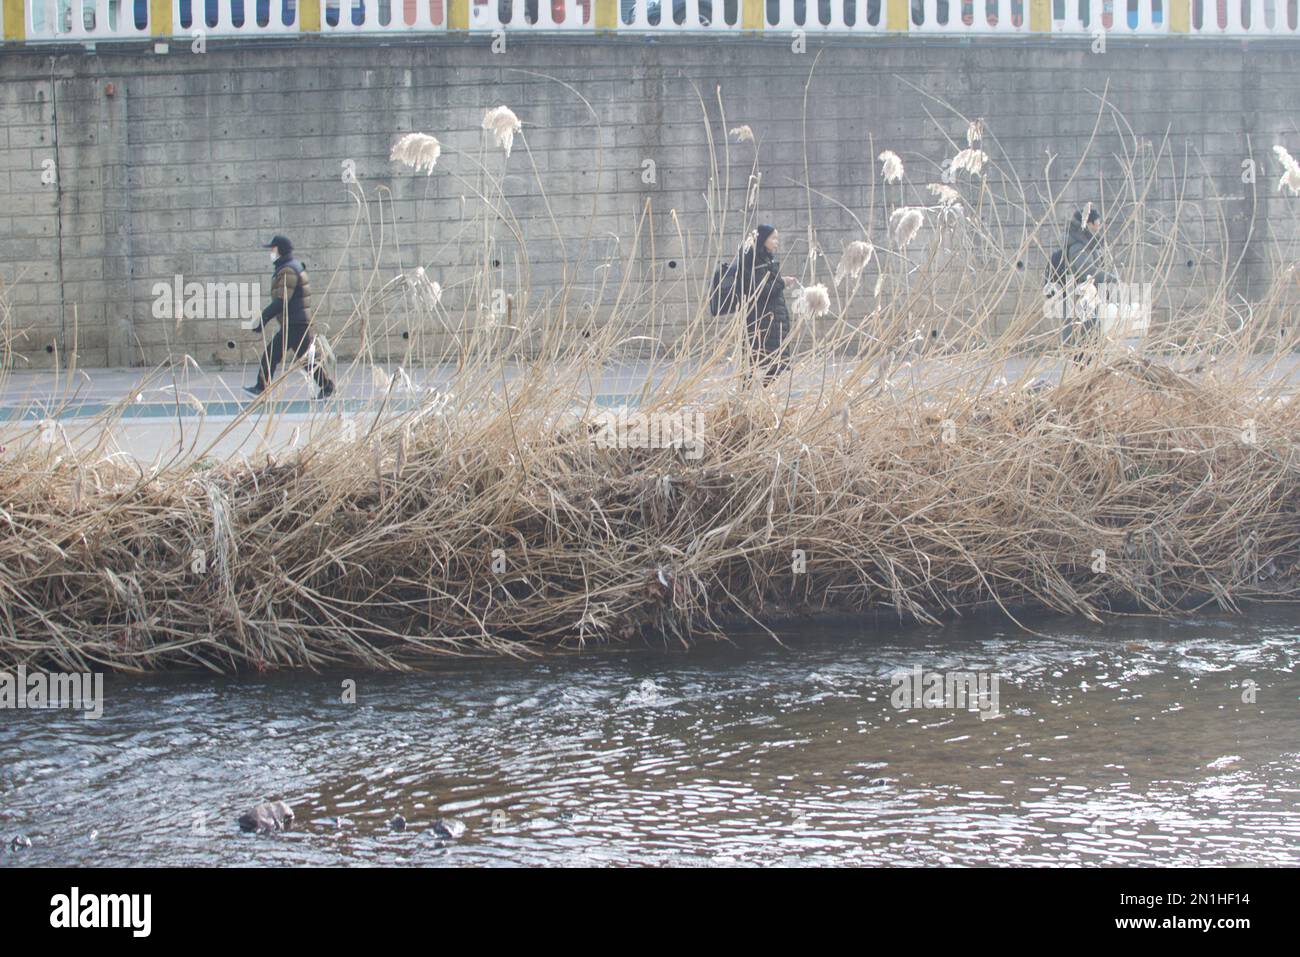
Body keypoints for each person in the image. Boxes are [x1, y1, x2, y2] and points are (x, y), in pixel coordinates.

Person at [244, 235, 335, 399]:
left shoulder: (287, 270)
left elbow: (281, 300)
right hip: (298, 322)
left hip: (295, 323)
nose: (271, 252)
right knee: (307, 359)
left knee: (271, 354)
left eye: (273, 249)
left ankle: (261, 388)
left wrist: (262, 319)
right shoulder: (291, 267)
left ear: (280, 250)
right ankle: (327, 387)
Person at [735, 224, 796, 385]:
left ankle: (759, 395)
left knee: (773, 363)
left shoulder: (766, 258)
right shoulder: (755, 261)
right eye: (774, 238)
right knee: (757, 362)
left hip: (772, 320)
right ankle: (750, 396)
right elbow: (762, 290)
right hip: (762, 321)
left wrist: (782, 282)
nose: (777, 242)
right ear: (763, 239)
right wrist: (782, 282)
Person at [1061, 208, 1115, 363]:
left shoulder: (1088, 244)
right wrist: (1111, 278)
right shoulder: (1079, 246)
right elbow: (1087, 270)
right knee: (1084, 344)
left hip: (1088, 299)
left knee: (1090, 340)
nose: (1100, 226)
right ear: (1089, 223)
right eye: (1098, 222)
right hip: (1081, 301)